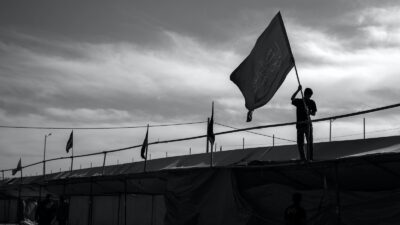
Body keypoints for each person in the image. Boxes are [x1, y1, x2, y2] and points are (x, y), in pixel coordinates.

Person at [291, 85, 317, 161]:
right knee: (300, 144)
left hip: (308, 125)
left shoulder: (311, 102)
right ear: (306, 94)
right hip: (300, 125)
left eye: (310, 96)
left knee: (310, 143)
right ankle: (303, 159)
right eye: (309, 96)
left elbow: (314, 113)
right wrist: (298, 90)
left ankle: (310, 159)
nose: (309, 97)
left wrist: (309, 112)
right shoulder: (299, 101)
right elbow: (292, 98)